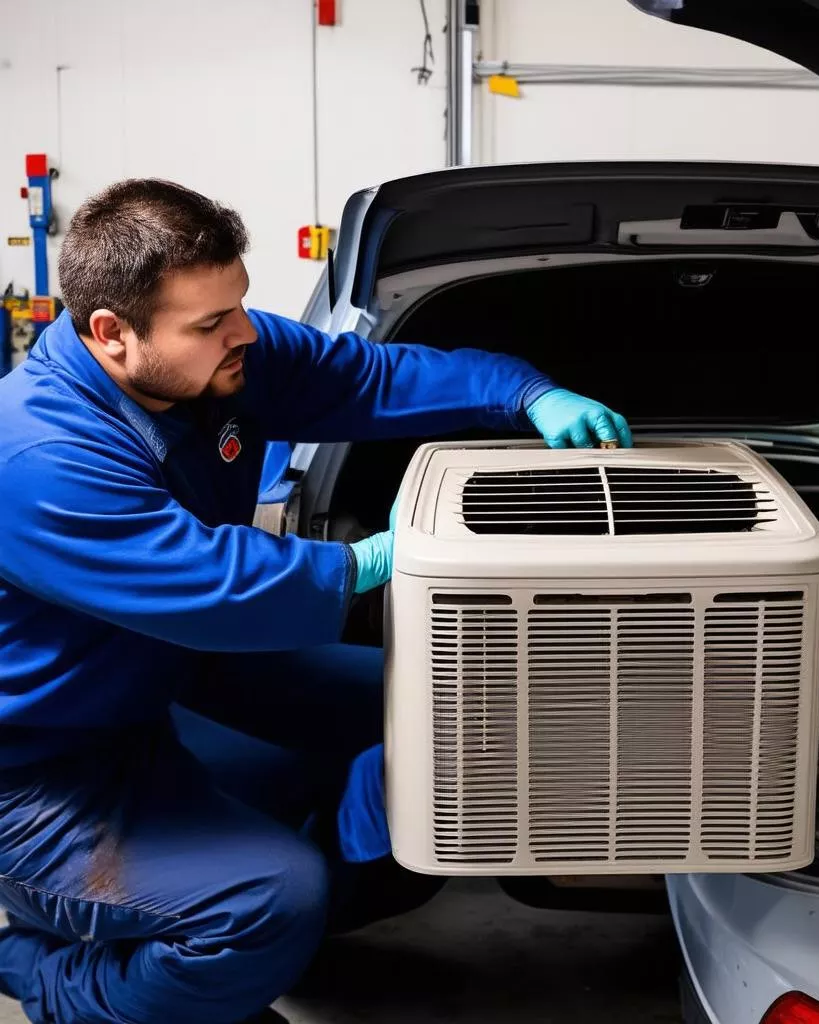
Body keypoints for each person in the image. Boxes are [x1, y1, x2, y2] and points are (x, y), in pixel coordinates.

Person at [0, 179, 633, 1024]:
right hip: (38, 774)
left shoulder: (221, 362)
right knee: (274, 901)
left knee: (444, 710)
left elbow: (373, 376)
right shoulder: (39, 456)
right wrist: (376, 557)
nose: (244, 334)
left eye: (241, 305)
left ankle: (306, 885)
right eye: (209, 323)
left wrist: (525, 393)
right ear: (111, 334)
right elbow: (211, 583)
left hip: (156, 672)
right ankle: (48, 977)